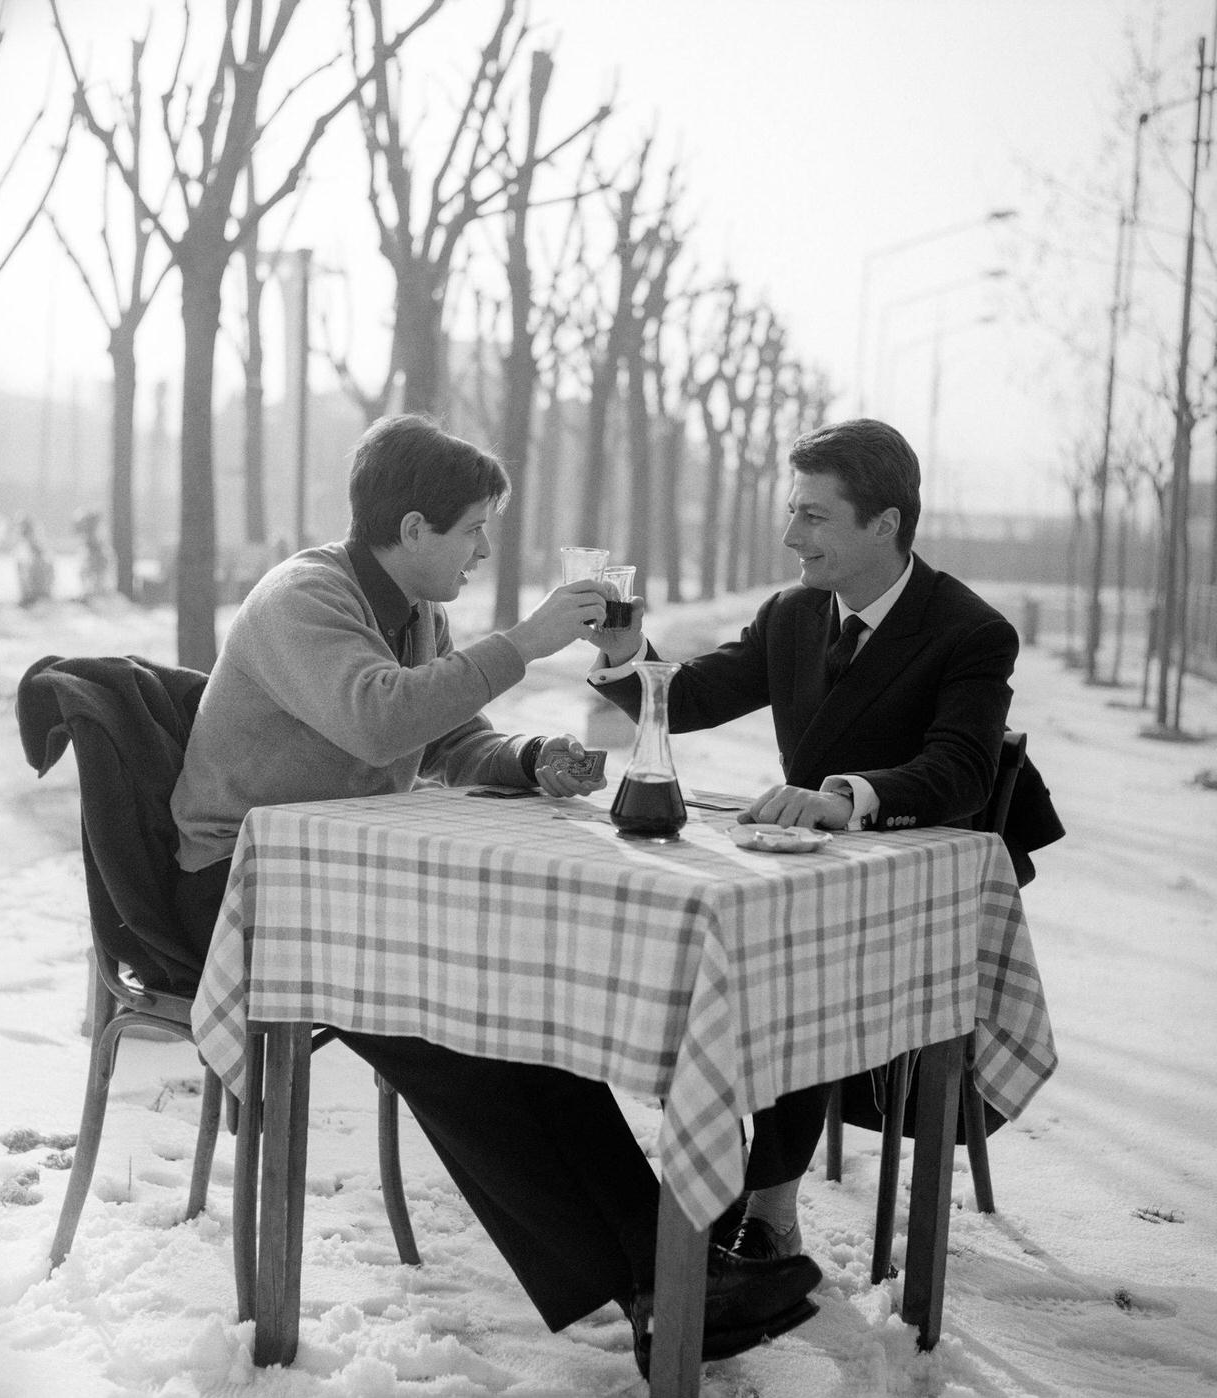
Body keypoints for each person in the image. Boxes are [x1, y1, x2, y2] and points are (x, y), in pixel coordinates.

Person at [170, 414, 822, 1376]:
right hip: (245, 888)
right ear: (416, 527)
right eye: (474, 529)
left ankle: (666, 1284)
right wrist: (529, 639)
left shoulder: (411, 609)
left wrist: (525, 757)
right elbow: (378, 715)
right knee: (457, 1039)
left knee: (514, 1015)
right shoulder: (304, 597)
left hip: (345, 882)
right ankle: (660, 1282)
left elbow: (444, 732)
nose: (483, 549)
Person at [589, 417, 1061, 1264]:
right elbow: (689, 699)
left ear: (884, 523)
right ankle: (688, 1197)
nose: (789, 536)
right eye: (791, 512)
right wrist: (627, 653)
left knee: (789, 960)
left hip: (919, 905)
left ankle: (768, 1214)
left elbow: (961, 772)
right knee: (725, 950)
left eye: (812, 516)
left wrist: (848, 797)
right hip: (809, 878)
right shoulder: (794, 614)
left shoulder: (971, 630)